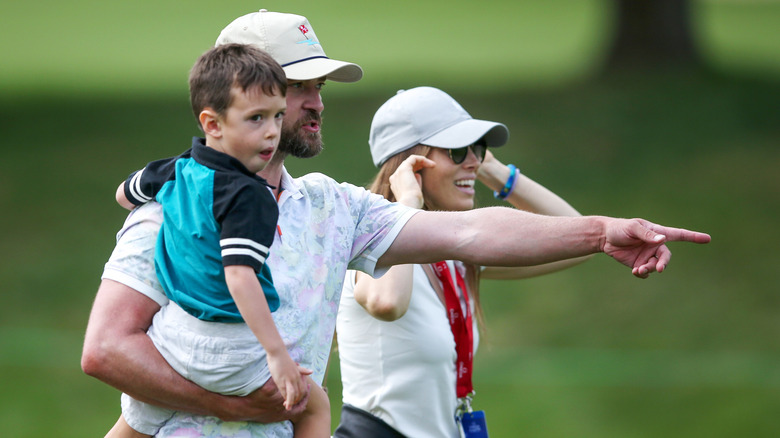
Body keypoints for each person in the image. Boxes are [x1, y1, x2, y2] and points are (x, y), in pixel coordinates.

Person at [81, 9, 711, 438]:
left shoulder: (330, 206)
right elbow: (105, 349)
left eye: (320, 86)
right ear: (243, 93)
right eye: (300, 86)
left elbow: (471, 234)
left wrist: (601, 232)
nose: (317, 103)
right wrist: (233, 405)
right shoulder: (174, 209)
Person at [334, 86, 593, 437]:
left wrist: (496, 172)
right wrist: (405, 204)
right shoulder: (366, 242)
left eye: (478, 148)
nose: (473, 160)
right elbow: (387, 302)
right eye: (457, 151)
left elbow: (576, 240)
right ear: (411, 164)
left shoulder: (454, 256)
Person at [105, 44, 329, 438]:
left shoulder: (176, 169)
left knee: (136, 421)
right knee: (314, 406)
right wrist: (277, 355)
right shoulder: (250, 196)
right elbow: (239, 277)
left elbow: (125, 195)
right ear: (212, 123)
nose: (272, 131)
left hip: (171, 338)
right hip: (230, 345)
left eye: (278, 116)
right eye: (256, 118)